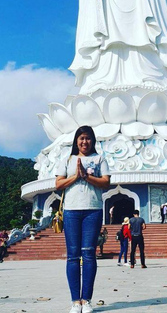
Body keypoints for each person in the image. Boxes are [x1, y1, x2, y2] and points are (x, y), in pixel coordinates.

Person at [56, 126, 111, 313]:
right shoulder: (67, 159)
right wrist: (75, 176)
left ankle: (86, 300)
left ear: (92, 141)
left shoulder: (100, 159)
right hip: (71, 211)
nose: (84, 142)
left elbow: (106, 182)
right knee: (73, 256)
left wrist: (87, 176)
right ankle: (75, 301)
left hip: (93, 211)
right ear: (76, 141)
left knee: (88, 254)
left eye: (88, 138)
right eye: (81, 138)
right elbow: (58, 184)